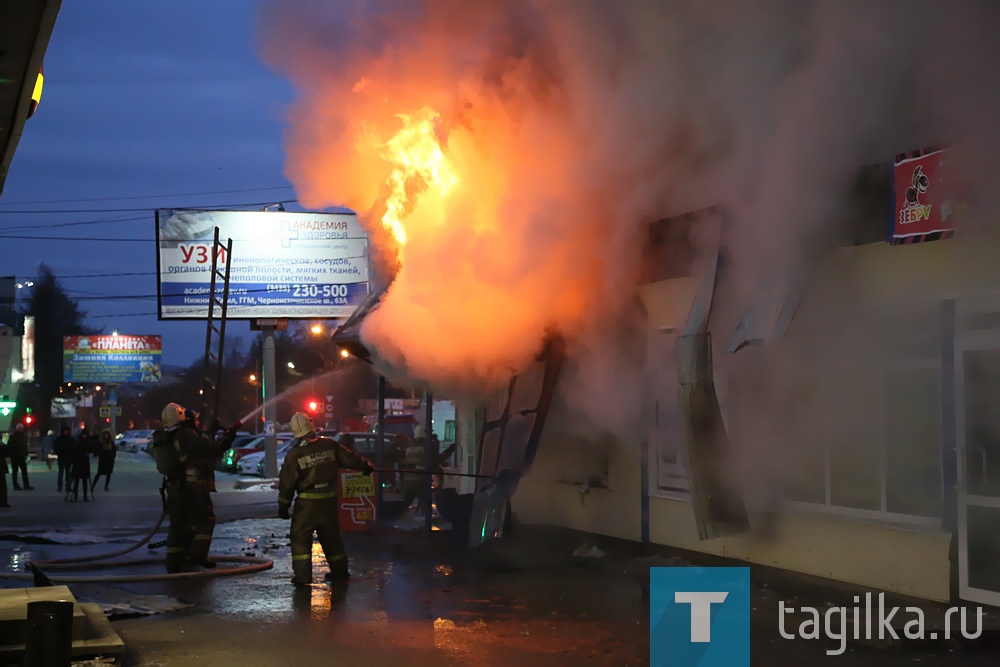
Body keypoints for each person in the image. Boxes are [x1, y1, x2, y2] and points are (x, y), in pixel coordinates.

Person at [278, 412, 373, 586]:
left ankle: (303, 578)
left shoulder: (295, 454)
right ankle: (340, 573)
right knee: (332, 538)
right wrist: (364, 466)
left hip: (307, 502)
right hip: (329, 500)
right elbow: (349, 458)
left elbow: (287, 482)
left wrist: (283, 506)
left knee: (300, 539)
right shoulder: (329, 445)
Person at [152, 403, 227, 573]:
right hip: (191, 484)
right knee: (205, 518)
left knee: (178, 523)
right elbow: (209, 449)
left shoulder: (167, 436)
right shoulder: (186, 434)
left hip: (173, 486)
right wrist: (216, 435)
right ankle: (198, 555)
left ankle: (174, 562)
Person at [68, 429, 94, 502]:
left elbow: (91, 449)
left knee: (84, 480)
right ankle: (76, 495)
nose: (84, 436)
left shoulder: (88, 441)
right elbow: (75, 450)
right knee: (77, 480)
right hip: (78, 462)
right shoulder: (78, 441)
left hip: (84, 463)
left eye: (86, 435)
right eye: (84, 435)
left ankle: (85, 496)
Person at [7, 424, 32, 490]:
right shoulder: (22, 436)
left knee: (16, 472)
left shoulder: (13, 436)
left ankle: (17, 485)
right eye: (20, 428)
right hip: (18, 456)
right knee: (22, 471)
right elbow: (24, 447)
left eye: (21, 428)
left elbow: (9, 446)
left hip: (16, 456)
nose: (21, 429)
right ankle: (24, 485)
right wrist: (25, 454)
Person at [53, 427, 75, 493]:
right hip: (63, 458)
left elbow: (74, 448)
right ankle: (60, 487)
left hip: (67, 458)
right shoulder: (61, 439)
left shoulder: (69, 439)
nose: (66, 432)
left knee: (67, 474)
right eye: (65, 431)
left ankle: (67, 486)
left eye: (67, 431)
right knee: (61, 473)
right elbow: (55, 448)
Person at [0, 433, 10, 509]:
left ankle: (3, 502)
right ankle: (3, 502)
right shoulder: (2, 445)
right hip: (1, 466)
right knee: (2, 486)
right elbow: (7, 453)